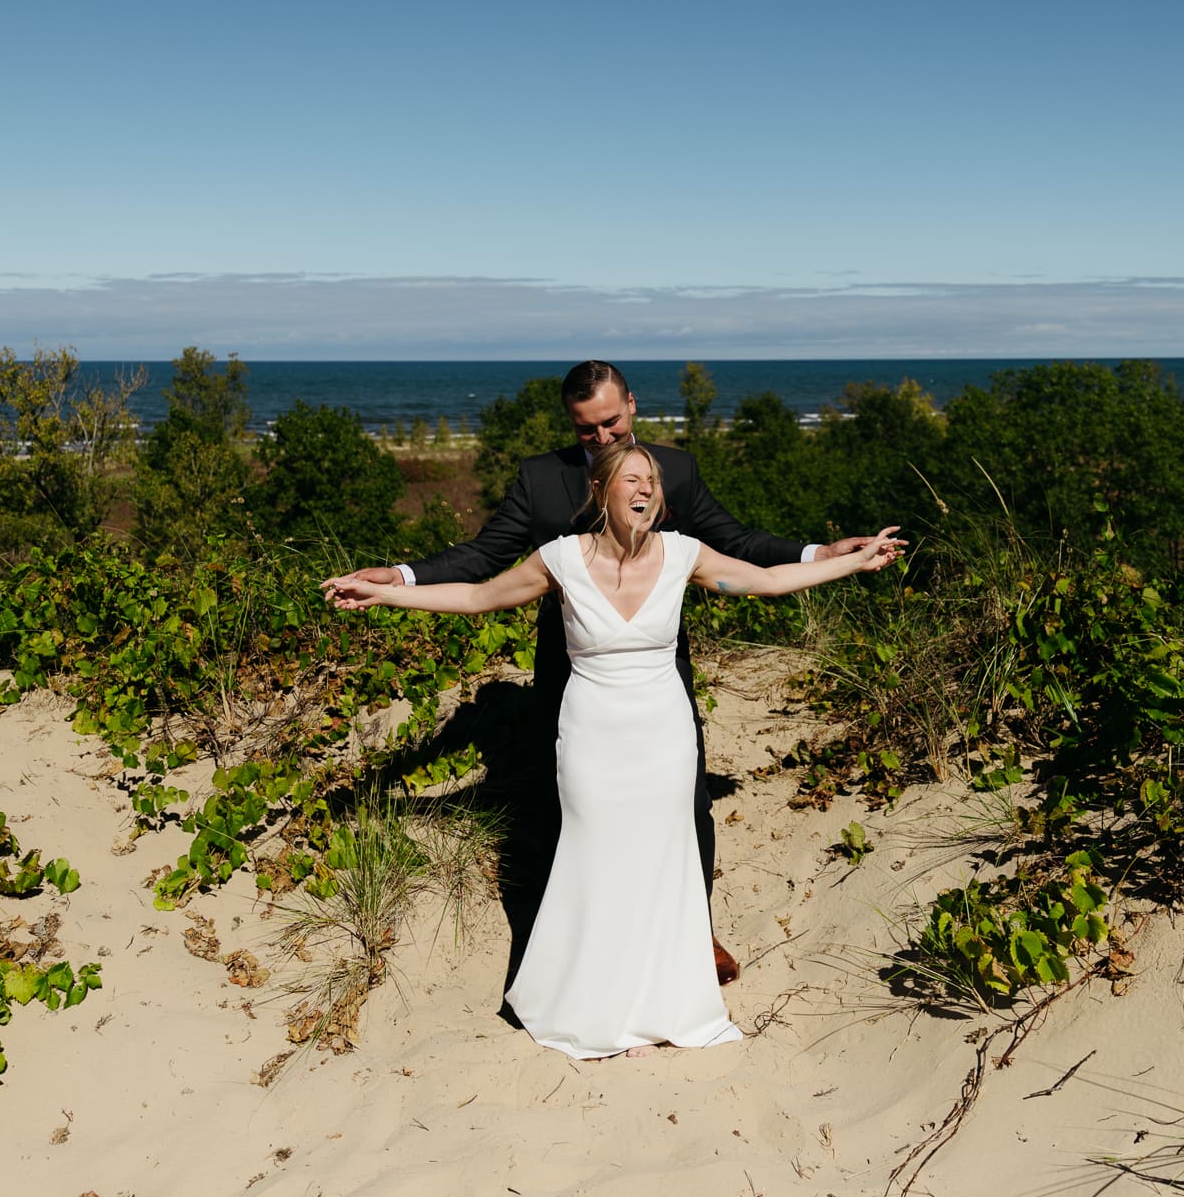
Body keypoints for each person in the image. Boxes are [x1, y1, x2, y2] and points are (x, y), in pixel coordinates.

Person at [323, 443, 902, 1058]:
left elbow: (765, 580)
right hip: (591, 737)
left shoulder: (684, 554)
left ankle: (663, 1002)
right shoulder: (560, 560)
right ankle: (592, 1004)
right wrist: (385, 593)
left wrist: (853, 562)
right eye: (632, 478)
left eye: (651, 479)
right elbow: (476, 596)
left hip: (664, 738)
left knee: (661, 858)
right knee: (596, 858)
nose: (645, 488)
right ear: (602, 492)